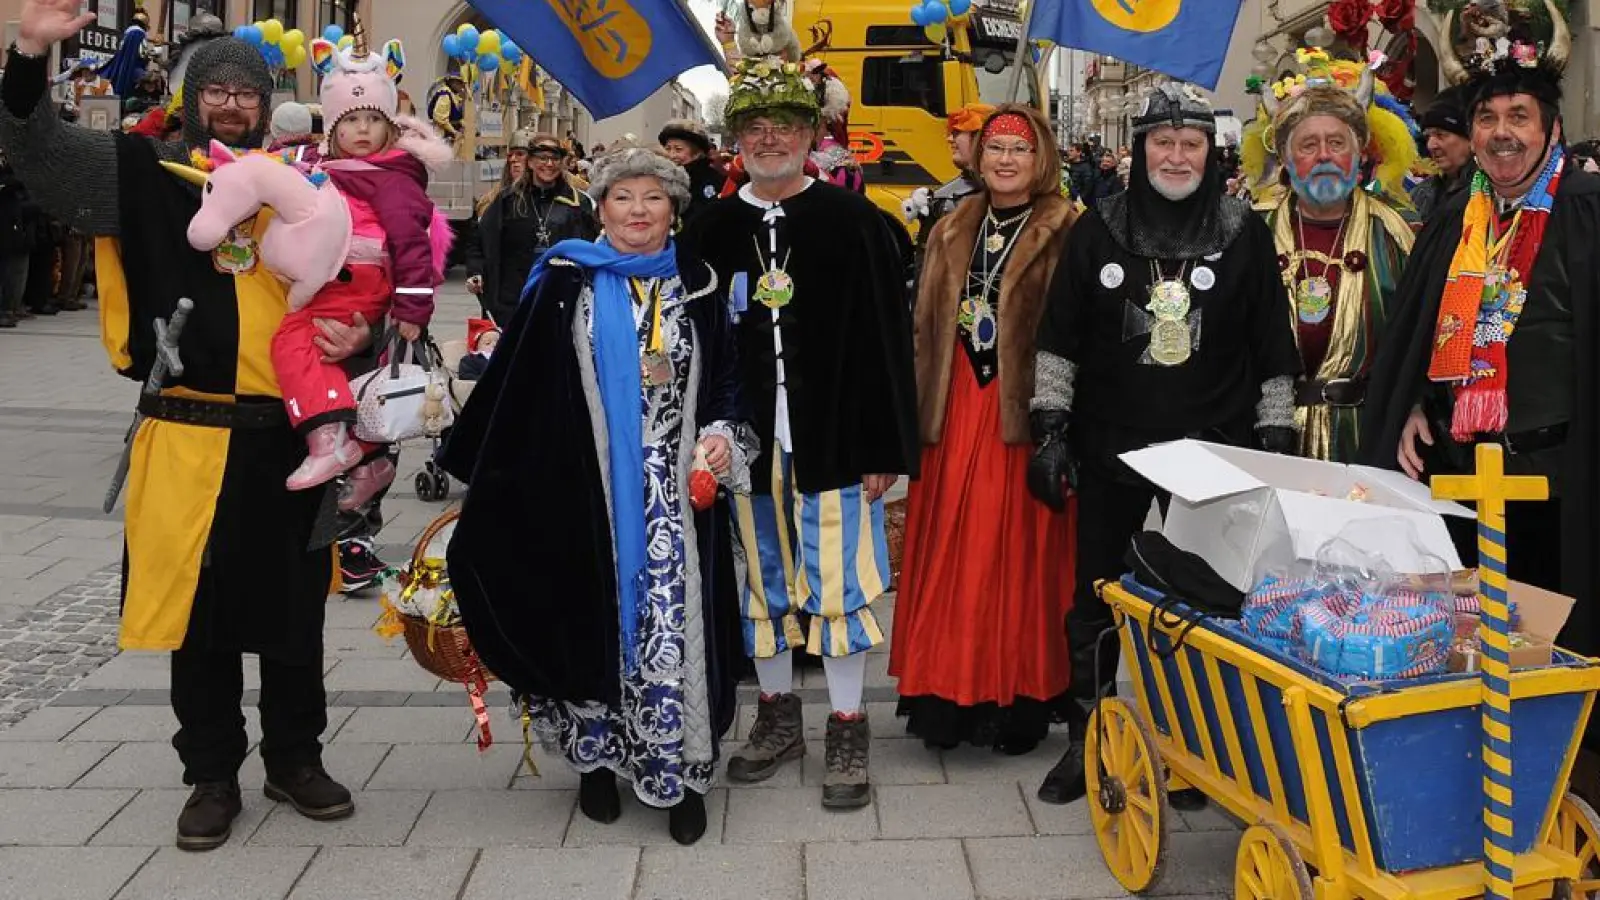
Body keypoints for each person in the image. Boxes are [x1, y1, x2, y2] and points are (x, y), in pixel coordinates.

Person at [0, 0, 369, 851]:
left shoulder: (309, 187)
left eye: (248, 93)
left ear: (267, 102)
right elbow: (37, 148)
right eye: (218, 91)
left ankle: (295, 758)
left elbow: (360, 290)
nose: (233, 105)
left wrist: (360, 335)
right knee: (196, 617)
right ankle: (210, 772)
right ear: (191, 96)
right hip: (185, 432)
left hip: (285, 436)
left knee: (294, 614)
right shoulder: (142, 175)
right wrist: (27, 52)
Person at [440, 145, 750, 846]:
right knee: (591, 623)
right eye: (623, 197)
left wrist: (721, 437)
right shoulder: (564, 281)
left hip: (676, 493)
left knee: (670, 629)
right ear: (600, 208)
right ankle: (597, 764)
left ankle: (679, 772)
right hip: (583, 486)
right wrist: (489, 479)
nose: (638, 211)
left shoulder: (699, 283)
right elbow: (517, 386)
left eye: (653, 197)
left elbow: (729, 379)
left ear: (675, 209)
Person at [1028, 84, 1301, 806]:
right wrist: (1050, 428)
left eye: (1190, 144)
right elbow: (1059, 335)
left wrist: (1275, 427)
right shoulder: (1097, 229)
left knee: (1203, 603)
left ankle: (1194, 748)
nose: (1176, 157)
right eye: (1163, 143)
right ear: (1141, 149)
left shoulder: (1244, 232)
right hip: (1112, 444)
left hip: (1212, 451)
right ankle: (1088, 738)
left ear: (1211, 153)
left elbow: (1271, 339)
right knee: (1097, 595)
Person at [1359, 4, 1600, 803]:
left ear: (1551, 127)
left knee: (1560, 654)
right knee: (1469, 648)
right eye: (1488, 118)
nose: (1501, 133)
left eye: (1518, 117)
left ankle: (1567, 797)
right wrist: (1418, 402)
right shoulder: (1456, 217)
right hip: (1464, 480)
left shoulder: (1586, 211)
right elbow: (1423, 329)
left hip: (1560, 485)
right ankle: (1473, 795)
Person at [681, 55, 919, 809]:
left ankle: (847, 725)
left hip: (837, 437)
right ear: (736, 138)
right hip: (743, 444)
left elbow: (888, 340)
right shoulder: (710, 228)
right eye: (755, 126)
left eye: (785, 124)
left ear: (812, 134)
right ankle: (779, 717)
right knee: (763, 584)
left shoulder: (855, 223)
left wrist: (885, 445)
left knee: (839, 586)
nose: (770, 138)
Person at [891, 104, 1076, 755]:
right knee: (949, 553)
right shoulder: (950, 225)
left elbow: (1080, 331)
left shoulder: (1069, 228)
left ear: (1040, 158)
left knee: (1012, 558)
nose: (1005, 159)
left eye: (1019, 149)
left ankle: (1018, 697)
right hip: (953, 405)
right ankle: (946, 695)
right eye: (995, 147)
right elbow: (921, 327)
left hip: (1020, 412)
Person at [267, 36, 449, 510]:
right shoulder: (333, 168)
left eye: (373, 119)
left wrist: (413, 308)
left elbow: (411, 244)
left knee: (295, 342)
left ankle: (331, 440)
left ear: (390, 126)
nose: (363, 129)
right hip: (342, 280)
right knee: (335, 365)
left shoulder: (390, 176)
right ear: (332, 128)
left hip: (357, 282)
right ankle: (371, 459)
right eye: (350, 121)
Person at [1243, 49, 1418, 462]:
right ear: (1286, 159)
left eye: (1337, 143)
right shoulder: (1252, 230)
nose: (1324, 156)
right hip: (1266, 441)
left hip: (1367, 439)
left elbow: (1417, 340)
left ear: (1359, 154)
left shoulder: (1396, 232)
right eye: (1308, 145)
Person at [465, 131, 598, 325]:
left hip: (562, 298)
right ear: (530, 162)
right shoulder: (509, 200)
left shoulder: (578, 203)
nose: (549, 164)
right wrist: (475, 271)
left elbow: (593, 246)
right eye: (542, 158)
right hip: (514, 299)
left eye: (555, 158)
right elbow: (480, 239)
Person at [912, 102, 993, 264]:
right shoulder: (943, 198)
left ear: (980, 138)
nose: (949, 139)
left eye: (957, 133)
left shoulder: (1013, 194)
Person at [1410, 85, 1476, 222]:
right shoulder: (1421, 194)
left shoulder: (1489, 195)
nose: (1431, 145)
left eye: (1441, 135)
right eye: (1428, 136)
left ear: (1471, 139)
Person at [659, 118, 722, 218]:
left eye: (678, 149)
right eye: (668, 149)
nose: (671, 155)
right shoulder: (661, 179)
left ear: (697, 153)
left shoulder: (712, 180)